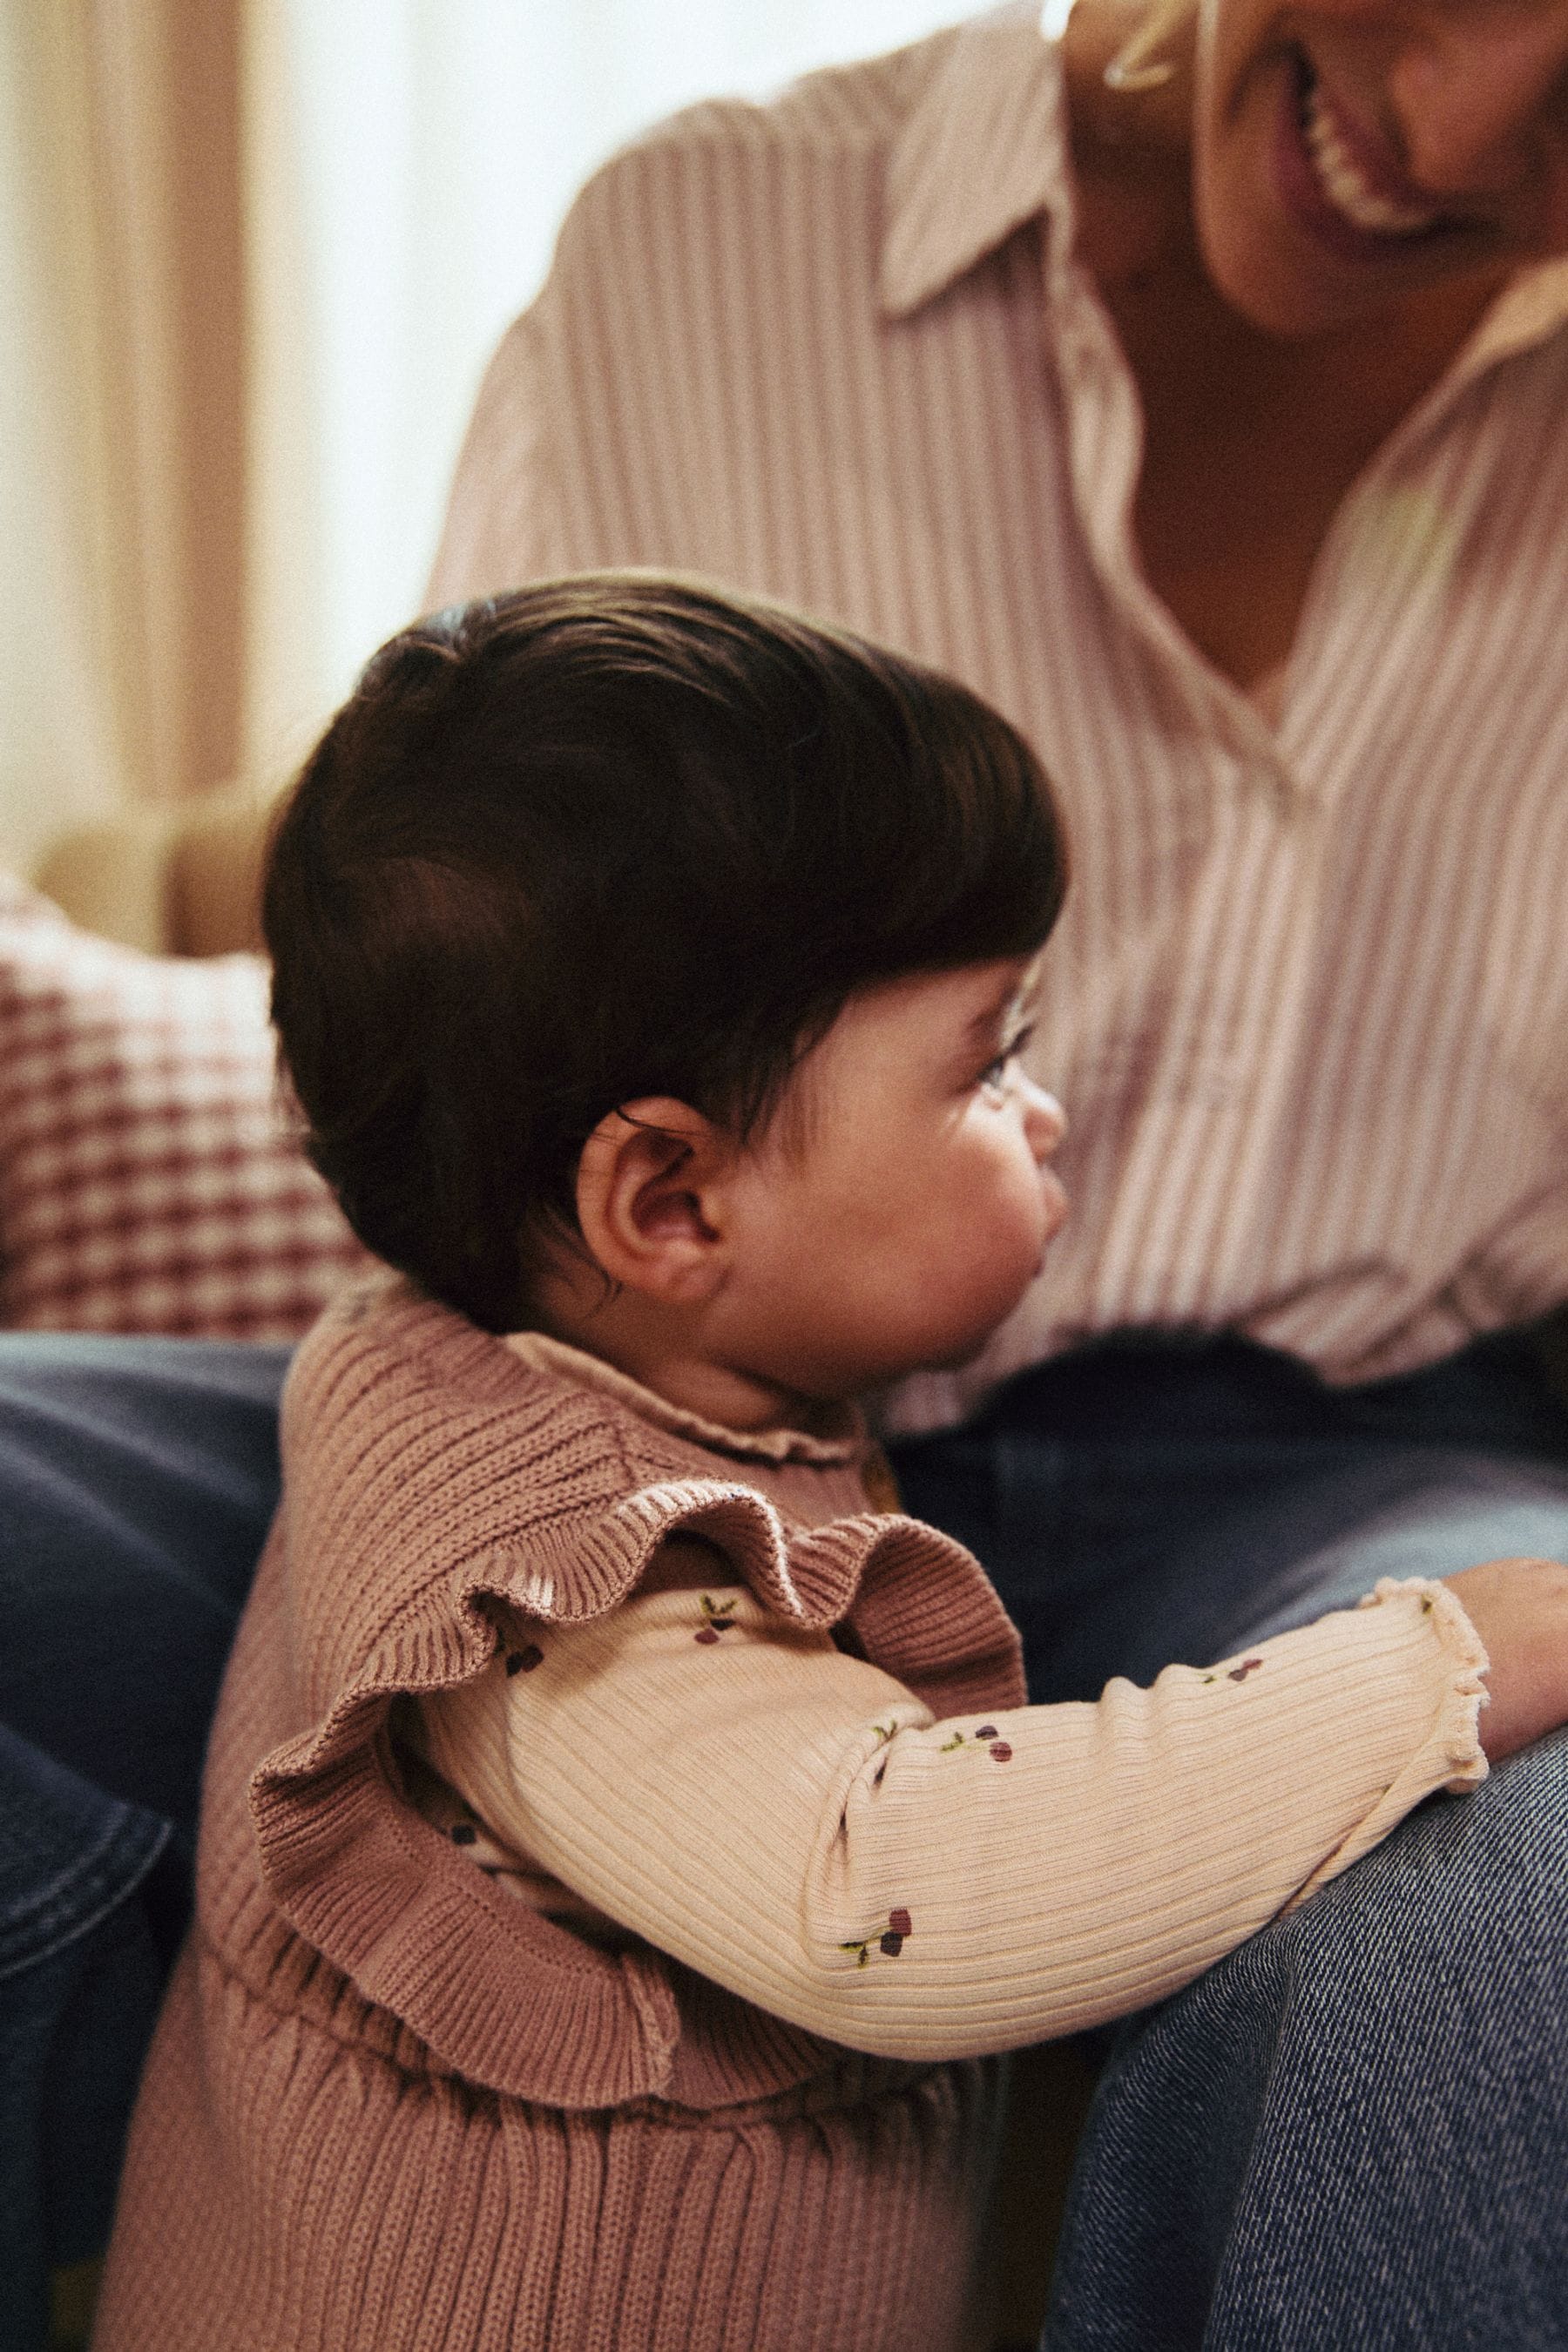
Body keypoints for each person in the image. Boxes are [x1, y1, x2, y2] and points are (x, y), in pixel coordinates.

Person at [5, 0, 1568, 2342]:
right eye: (992, 1059)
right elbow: (881, 1878)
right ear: (663, 1195)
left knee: (1515, 1910)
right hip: (632, 1401)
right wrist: (1458, 1662)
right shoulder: (701, 242)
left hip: (1314, 1454)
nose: (1454, 129)